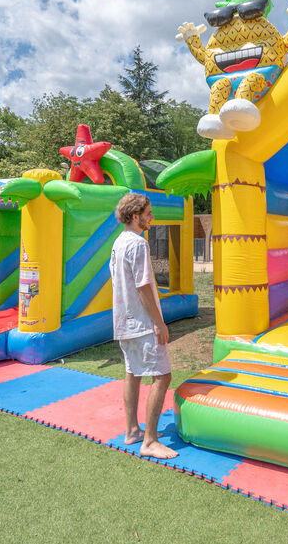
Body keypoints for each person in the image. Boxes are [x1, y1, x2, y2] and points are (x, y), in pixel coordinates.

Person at [109, 192, 178, 459]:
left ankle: (132, 430)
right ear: (136, 216)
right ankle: (149, 441)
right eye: (149, 213)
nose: (152, 217)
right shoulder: (138, 244)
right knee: (162, 375)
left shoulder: (118, 243)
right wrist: (159, 323)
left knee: (133, 373)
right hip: (141, 322)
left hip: (124, 321)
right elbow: (143, 286)